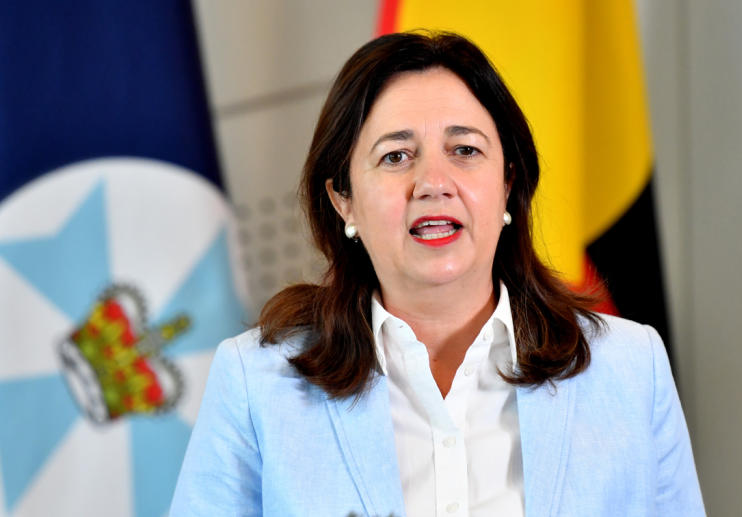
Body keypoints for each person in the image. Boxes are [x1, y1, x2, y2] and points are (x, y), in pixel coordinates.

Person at [170, 31, 704, 517]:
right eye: (397, 155)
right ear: (344, 200)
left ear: (508, 184)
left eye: (465, 150)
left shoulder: (631, 370)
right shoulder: (256, 385)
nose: (433, 182)